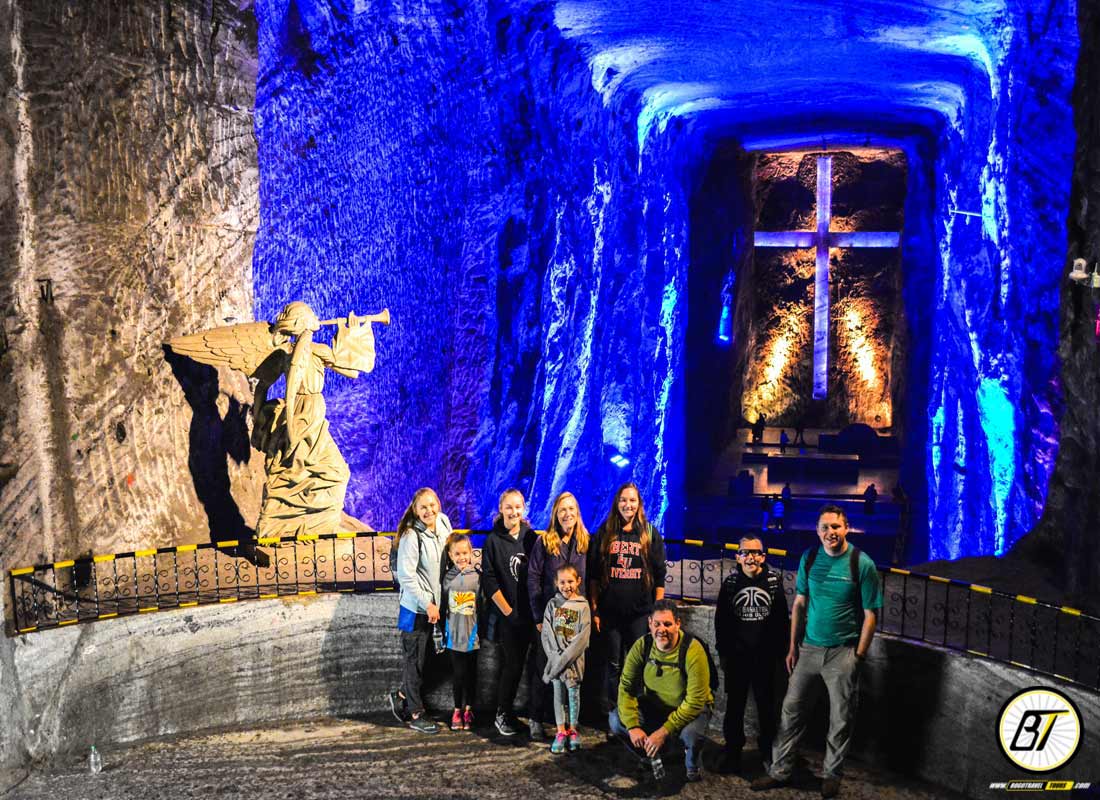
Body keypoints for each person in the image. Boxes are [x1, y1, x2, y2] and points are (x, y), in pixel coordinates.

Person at [752, 505, 883, 799]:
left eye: (836, 526)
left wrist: (858, 656)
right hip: (809, 649)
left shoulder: (862, 564)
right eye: (824, 527)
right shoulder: (809, 558)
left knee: (841, 717)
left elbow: (871, 614)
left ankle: (831, 775)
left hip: (843, 652)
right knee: (791, 711)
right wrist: (793, 647)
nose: (830, 532)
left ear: (846, 528)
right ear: (817, 530)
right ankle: (779, 771)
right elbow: (799, 604)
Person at [609, 599, 714, 782]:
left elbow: (695, 701)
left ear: (677, 624)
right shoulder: (642, 646)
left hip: (689, 711)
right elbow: (626, 687)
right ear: (650, 623)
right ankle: (648, 753)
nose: (661, 629)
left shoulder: (692, 650)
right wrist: (633, 726)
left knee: (691, 736)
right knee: (616, 720)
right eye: (656, 624)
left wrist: (663, 731)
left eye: (667, 624)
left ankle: (691, 764)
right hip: (656, 707)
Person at [588, 482, 668, 711]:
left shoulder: (649, 533)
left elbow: (659, 575)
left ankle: (638, 711)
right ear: (616, 503)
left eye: (632, 500)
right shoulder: (605, 532)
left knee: (638, 663)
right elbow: (594, 575)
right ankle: (617, 711)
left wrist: (657, 611)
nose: (628, 505)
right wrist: (595, 608)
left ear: (639, 504)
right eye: (623, 500)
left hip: (640, 614)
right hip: (610, 612)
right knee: (613, 664)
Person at [715, 535, 788, 773]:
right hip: (737, 659)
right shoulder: (730, 584)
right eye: (745, 552)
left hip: (765, 660)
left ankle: (767, 752)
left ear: (763, 556)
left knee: (766, 709)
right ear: (737, 557)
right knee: (734, 708)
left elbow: (781, 623)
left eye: (755, 552)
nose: (750, 557)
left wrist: (780, 655)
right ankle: (733, 752)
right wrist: (724, 653)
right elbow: (721, 622)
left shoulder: (774, 583)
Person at [390, 487, 453, 734]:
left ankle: (403, 695)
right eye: (423, 507)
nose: (429, 511)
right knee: (415, 660)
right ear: (415, 511)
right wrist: (427, 603)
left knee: (427, 660)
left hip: (435, 608)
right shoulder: (410, 536)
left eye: (432, 505)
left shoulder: (444, 523)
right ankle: (415, 713)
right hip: (416, 609)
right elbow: (406, 576)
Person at [528, 491, 590, 739]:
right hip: (550, 618)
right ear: (555, 513)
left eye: (572, 509)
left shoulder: (585, 542)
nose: (567, 514)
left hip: (575, 621)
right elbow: (533, 578)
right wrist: (538, 617)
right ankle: (535, 718)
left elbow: (591, 578)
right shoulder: (544, 542)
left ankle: (567, 724)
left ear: (577, 513)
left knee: (571, 669)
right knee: (544, 666)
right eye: (562, 510)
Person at [481, 487, 538, 737]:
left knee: (536, 665)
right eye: (509, 507)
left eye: (518, 506)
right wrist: (509, 612)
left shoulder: (531, 537)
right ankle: (503, 713)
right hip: (509, 616)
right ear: (501, 509)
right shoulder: (493, 541)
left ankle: (537, 714)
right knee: (512, 666)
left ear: (523, 509)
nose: (514, 511)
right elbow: (490, 580)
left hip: (533, 615)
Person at [541, 564, 592, 754]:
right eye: (562, 582)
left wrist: (565, 660)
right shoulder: (552, 605)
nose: (566, 586)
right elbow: (547, 634)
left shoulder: (583, 606)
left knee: (573, 695)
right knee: (558, 695)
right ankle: (561, 730)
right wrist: (556, 659)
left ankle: (573, 729)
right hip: (556, 662)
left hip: (574, 662)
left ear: (578, 581)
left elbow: (582, 638)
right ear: (556, 583)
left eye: (570, 581)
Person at [442, 533, 480, 731]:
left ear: (471, 553)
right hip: (453, 638)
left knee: (471, 675)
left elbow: (482, 606)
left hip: (472, 637)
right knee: (458, 675)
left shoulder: (477, 578)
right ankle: (456, 710)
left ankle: (468, 708)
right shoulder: (447, 579)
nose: (462, 558)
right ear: (450, 555)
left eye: (465, 553)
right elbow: (443, 606)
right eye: (457, 554)